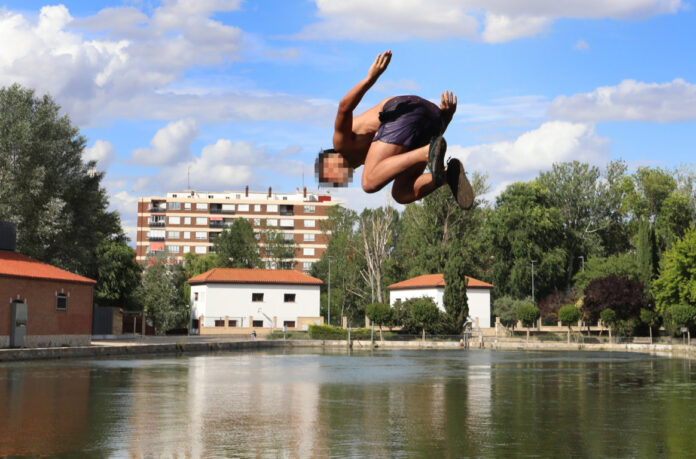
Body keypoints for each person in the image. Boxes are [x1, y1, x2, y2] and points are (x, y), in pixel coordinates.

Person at [316, 50, 474, 209]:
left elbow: (344, 107)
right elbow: (430, 141)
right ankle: (448, 175)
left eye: (330, 175)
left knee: (369, 182)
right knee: (402, 193)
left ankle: (426, 152)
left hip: (401, 110)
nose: (338, 179)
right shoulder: (378, 159)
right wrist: (446, 118)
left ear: (331, 159)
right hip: (430, 118)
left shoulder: (341, 144)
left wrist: (371, 78)